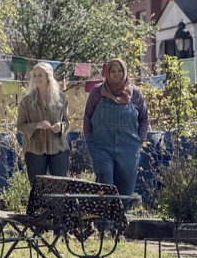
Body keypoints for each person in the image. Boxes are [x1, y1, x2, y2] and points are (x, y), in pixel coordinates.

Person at [83, 58, 149, 198]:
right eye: (112, 70)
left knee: (126, 187)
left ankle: (120, 219)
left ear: (125, 72)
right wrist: (89, 139)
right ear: (107, 72)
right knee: (105, 185)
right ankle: (104, 220)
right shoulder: (98, 91)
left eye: (119, 70)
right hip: (101, 147)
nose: (116, 74)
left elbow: (144, 118)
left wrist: (139, 139)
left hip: (129, 149)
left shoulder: (135, 94)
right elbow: (87, 116)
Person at [17, 62, 69, 183]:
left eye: (40, 75)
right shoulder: (26, 100)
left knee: (60, 187)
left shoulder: (61, 98)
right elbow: (19, 126)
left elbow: (66, 122)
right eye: (34, 75)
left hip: (58, 147)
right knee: (38, 189)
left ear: (48, 77)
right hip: (34, 149)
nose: (37, 78)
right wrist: (36, 125)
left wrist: (60, 126)